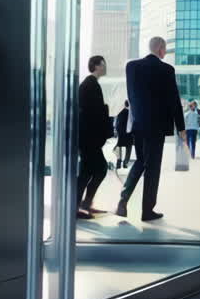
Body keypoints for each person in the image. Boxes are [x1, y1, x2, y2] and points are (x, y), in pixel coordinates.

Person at [116, 37, 183, 221]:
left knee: (140, 161)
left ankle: (123, 199)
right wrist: (181, 127)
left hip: (139, 124)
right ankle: (147, 211)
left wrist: (138, 118)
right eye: (165, 49)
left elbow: (132, 95)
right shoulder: (167, 70)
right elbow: (173, 100)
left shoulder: (132, 67)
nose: (165, 52)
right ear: (160, 49)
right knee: (153, 168)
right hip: (158, 126)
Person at [76, 56, 112, 219]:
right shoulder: (90, 85)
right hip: (88, 138)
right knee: (97, 170)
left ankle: (83, 204)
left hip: (88, 138)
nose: (105, 67)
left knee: (90, 171)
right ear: (96, 66)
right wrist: (105, 110)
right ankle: (80, 205)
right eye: (103, 64)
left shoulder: (90, 84)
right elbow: (92, 113)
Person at [114, 100, 133, 169]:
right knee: (129, 146)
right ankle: (125, 162)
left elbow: (116, 121)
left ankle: (119, 161)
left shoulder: (120, 111)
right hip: (128, 131)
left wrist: (115, 129)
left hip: (121, 131)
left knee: (118, 146)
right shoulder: (131, 112)